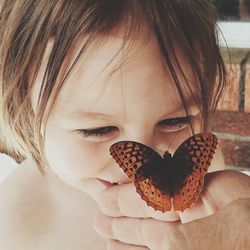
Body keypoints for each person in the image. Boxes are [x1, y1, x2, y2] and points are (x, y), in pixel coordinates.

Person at [0, 0, 249, 249]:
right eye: (97, 130)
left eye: (176, 121)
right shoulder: (13, 221)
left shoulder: (209, 174)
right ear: (26, 109)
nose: (135, 172)